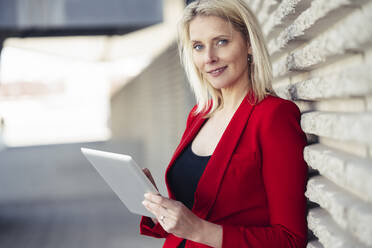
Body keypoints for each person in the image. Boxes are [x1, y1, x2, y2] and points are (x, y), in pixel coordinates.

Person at [140, 0, 308, 247]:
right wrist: (160, 208)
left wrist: (199, 230)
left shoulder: (274, 117)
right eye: (198, 46)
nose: (209, 58)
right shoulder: (199, 115)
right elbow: (196, 215)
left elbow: (290, 239)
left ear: (249, 45)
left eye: (221, 42)